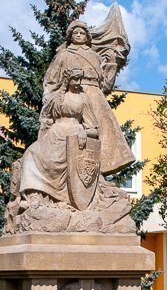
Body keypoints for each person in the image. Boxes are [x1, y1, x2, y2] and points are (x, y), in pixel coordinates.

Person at [41, 20, 135, 175]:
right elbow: (52, 77)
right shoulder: (63, 54)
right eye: (76, 33)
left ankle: (99, 172)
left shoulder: (94, 56)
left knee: (103, 134)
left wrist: (112, 64)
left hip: (95, 95)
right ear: (71, 36)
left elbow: (105, 85)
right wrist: (48, 93)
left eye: (82, 33)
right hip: (74, 94)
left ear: (87, 36)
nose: (79, 35)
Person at [19, 69, 98, 204]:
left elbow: (94, 130)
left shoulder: (83, 99)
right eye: (75, 79)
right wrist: (45, 124)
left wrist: (84, 132)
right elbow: (45, 117)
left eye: (80, 79)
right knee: (30, 153)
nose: (78, 83)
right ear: (67, 80)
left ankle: (60, 198)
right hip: (53, 135)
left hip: (72, 137)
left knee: (57, 160)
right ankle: (34, 195)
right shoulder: (56, 97)